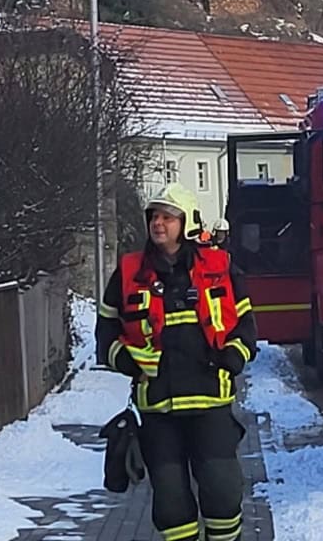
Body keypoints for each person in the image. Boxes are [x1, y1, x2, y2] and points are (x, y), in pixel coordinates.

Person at [95, 182, 256, 541]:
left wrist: (234, 356)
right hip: (158, 411)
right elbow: (105, 333)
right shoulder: (128, 273)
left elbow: (246, 325)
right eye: (154, 216)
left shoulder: (220, 267)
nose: (158, 224)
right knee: (170, 505)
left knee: (223, 494)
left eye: (168, 217)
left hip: (211, 404)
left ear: (186, 223)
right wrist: (128, 362)